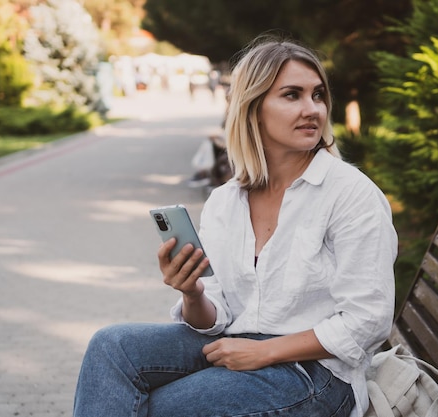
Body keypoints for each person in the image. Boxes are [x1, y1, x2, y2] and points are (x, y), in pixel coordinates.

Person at [73, 34, 398, 417]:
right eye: (292, 95)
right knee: (112, 346)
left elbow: (369, 320)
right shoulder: (226, 201)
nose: (312, 109)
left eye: (318, 95)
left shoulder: (350, 194)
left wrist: (265, 351)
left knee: (158, 408)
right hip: (238, 342)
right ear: (253, 108)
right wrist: (193, 293)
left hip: (319, 375)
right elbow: (215, 318)